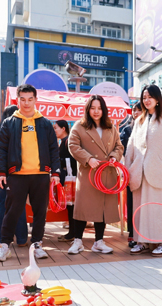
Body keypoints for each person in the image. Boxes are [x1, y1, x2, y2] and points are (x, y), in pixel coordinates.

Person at [0, 84, 61, 262]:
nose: (26, 103)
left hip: (41, 175)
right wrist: (0, 172)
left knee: (40, 212)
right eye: (22, 99)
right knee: (12, 212)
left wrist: (55, 173)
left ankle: (37, 244)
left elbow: (54, 149)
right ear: (17, 100)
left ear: (35, 100)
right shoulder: (9, 123)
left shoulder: (45, 123)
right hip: (16, 175)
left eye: (30, 99)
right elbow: (1, 149)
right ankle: (4, 246)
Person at [126, 84, 162, 256]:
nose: (146, 100)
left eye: (150, 97)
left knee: (160, 208)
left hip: (159, 172)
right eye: (144, 97)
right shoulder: (139, 120)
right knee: (141, 208)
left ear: (157, 99)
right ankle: (142, 241)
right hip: (139, 172)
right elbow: (131, 147)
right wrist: (127, 170)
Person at [67, 94, 124, 254]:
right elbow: (72, 145)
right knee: (82, 208)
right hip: (88, 173)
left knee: (103, 209)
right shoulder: (79, 126)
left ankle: (99, 241)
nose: (96, 111)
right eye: (93, 108)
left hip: (106, 173)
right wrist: (88, 158)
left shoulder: (111, 127)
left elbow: (119, 146)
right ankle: (77, 241)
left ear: (104, 110)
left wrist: (114, 157)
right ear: (88, 109)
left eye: (99, 108)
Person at [0, 105, 28, 249]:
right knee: (19, 208)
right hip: (17, 175)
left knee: (0, 209)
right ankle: (21, 239)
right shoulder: (21, 129)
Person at [120, 102, 142, 248]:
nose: (136, 113)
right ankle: (132, 234)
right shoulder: (128, 129)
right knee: (132, 204)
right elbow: (122, 149)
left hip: (147, 173)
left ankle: (145, 234)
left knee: (144, 204)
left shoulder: (151, 127)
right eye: (134, 110)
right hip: (132, 172)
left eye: (139, 110)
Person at [54, 119, 77, 242]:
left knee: (72, 206)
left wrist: (59, 162)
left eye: (56, 128)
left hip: (71, 178)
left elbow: (71, 160)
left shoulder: (68, 142)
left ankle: (73, 233)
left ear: (63, 129)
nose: (54, 131)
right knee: (70, 206)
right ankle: (72, 232)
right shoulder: (63, 142)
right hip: (68, 177)